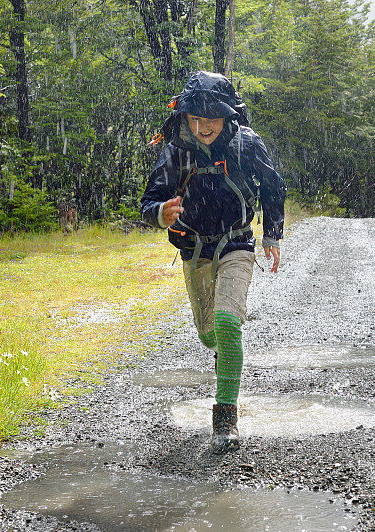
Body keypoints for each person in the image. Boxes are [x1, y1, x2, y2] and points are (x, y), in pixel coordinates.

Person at [140, 71, 286, 454]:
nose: (205, 126)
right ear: (185, 116)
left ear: (228, 116)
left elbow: (273, 187)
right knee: (210, 335)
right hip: (194, 248)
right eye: (196, 118)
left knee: (226, 321)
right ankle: (224, 350)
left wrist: (272, 233)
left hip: (237, 242)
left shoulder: (246, 144)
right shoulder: (175, 150)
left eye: (213, 118)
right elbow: (149, 201)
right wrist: (161, 212)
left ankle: (225, 419)